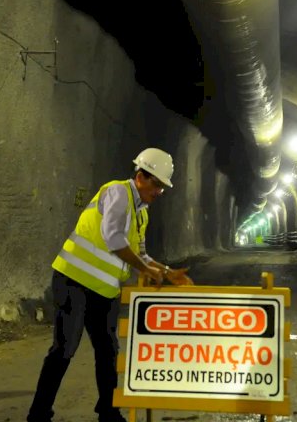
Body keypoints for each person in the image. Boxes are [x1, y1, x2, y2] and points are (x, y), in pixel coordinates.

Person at [27, 147, 193, 422]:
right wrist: (146, 270)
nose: (160, 193)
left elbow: (140, 253)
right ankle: (38, 413)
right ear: (141, 176)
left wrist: (167, 271)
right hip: (74, 281)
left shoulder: (142, 213)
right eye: (158, 185)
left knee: (107, 351)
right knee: (65, 348)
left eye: (163, 188)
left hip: (103, 291)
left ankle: (108, 411)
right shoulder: (118, 193)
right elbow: (113, 238)